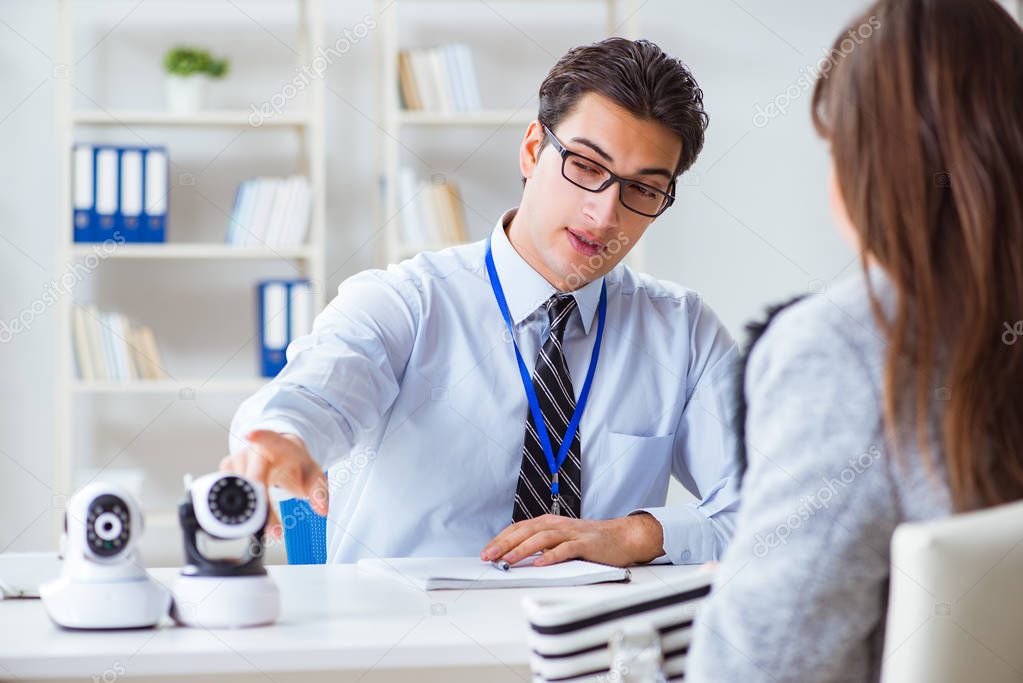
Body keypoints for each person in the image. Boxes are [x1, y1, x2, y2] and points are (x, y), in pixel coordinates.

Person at [223, 38, 741, 567]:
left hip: (586, 641)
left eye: (643, 190)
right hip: (408, 640)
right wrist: (279, 438)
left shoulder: (682, 330)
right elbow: (321, 390)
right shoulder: (407, 301)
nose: (605, 214)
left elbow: (776, 505)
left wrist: (637, 535)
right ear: (533, 149)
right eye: (586, 166)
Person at [687, 0, 1023, 680]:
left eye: (835, 146)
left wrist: (754, 596)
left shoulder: (843, 345)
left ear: (874, 162)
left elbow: (761, 667)